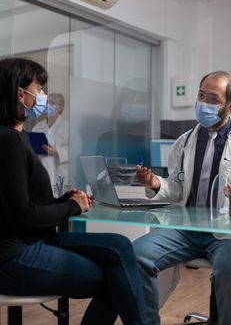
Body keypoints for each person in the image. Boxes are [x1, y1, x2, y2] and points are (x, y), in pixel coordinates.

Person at [0, 57, 149, 325]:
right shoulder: (8, 140)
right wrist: (73, 207)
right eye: (40, 89)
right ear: (21, 94)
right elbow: (21, 214)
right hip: (13, 255)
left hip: (34, 238)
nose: (43, 96)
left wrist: (65, 200)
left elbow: (21, 201)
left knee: (120, 245)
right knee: (116, 278)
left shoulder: (17, 136)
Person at [134, 70, 231, 325]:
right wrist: (156, 183)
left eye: (213, 99)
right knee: (136, 255)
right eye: (201, 95)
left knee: (229, 270)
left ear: (229, 107)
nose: (204, 103)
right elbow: (178, 188)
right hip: (185, 229)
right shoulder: (184, 142)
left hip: (226, 234)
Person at [32, 92, 68, 185]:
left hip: (60, 172)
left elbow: (76, 149)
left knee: (60, 196)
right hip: (42, 171)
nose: (48, 105)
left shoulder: (68, 126)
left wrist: (57, 151)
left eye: (52, 103)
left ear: (60, 107)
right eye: (47, 102)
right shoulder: (38, 126)